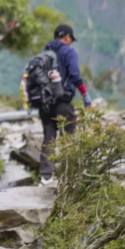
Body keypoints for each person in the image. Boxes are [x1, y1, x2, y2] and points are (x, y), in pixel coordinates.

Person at [36, 24, 91, 185]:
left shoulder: (43, 52)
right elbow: (75, 75)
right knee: (70, 137)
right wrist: (85, 94)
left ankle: (45, 176)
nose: (71, 42)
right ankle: (71, 175)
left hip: (45, 103)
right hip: (62, 102)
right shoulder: (68, 52)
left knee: (49, 137)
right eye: (71, 39)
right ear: (66, 37)